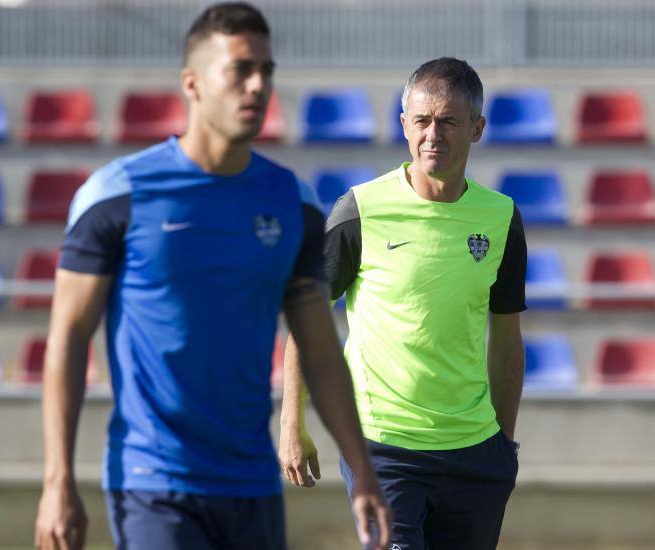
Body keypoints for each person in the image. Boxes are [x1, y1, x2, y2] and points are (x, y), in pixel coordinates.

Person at [33, 3, 390, 549]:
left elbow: (319, 348)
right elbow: (67, 338)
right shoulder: (116, 196)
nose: (257, 86)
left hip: (252, 485)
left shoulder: (293, 204)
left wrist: (362, 469)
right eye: (240, 70)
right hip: (153, 484)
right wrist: (57, 478)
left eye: (266, 71)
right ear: (193, 84)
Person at [279, 57, 527, 550]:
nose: (432, 134)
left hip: (474, 452)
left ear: (477, 129)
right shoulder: (359, 211)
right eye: (421, 121)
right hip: (383, 447)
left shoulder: (501, 218)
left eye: (448, 121)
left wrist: (503, 447)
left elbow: (505, 338)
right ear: (404, 125)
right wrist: (292, 424)